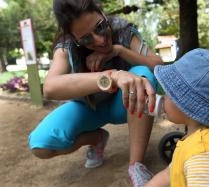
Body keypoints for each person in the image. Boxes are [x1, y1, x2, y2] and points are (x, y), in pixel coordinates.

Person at [28, 0, 163, 186]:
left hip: (123, 103)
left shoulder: (122, 30)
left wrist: (119, 50)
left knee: (143, 76)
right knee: (40, 145)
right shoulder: (65, 45)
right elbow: (50, 88)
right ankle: (97, 138)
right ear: (74, 38)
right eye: (86, 39)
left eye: (100, 27)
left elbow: (158, 64)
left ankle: (136, 165)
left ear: (101, 11)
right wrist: (112, 76)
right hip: (87, 108)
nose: (100, 40)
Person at [145, 48, 209, 187]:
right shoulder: (195, 140)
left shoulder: (204, 155)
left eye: (168, 94)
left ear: (186, 104)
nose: (163, 98)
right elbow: (170, 173)